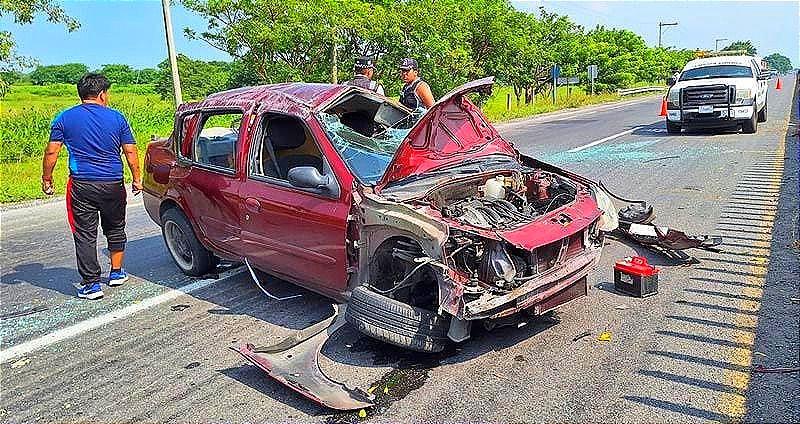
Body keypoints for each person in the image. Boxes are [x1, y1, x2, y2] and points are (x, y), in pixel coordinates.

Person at [42, 73, 142, 300]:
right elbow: (130, 151)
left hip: (82, 185)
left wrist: (46, 179)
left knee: (85, 234)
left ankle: (91, 285)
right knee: (115, 227)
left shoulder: (64, 118)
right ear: (101, 94)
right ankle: (116, 273)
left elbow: (52, 151)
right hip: (113, 184)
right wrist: (137, 178)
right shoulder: (117, 118)